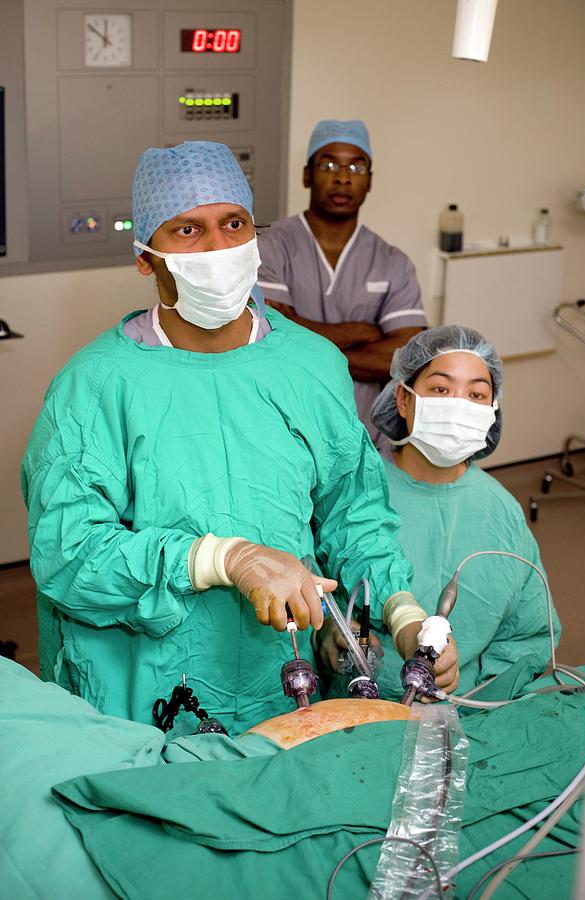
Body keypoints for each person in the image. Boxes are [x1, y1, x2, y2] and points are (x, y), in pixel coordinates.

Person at [21, 141, 456, 736]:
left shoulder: (311, 366)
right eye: (187, 230)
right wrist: (220, 557)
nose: (219, 248)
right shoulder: (94, 386)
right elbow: (69, 554)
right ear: (146, 259)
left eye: (233, 224)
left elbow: (351, 513)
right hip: (145, 689)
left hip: (283, 673)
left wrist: (401, 614)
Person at [369, 325, 561, 699]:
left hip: (470, 707)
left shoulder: (501, 510)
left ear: (491, 412)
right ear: (403, 399)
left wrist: (482, 705)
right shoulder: (358, 494)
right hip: (358, 705)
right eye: (441, 389)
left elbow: (528, 633)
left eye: (476, 394)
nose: (458, 405)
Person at [257, 119, 427, 448]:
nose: (343, 177)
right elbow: (267, 337)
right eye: (329, 163)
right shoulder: (270, 245)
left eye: (356, 167)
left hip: (366, 436)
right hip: (284, 431)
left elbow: (407, 357)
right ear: (307, 175)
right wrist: (364, 332)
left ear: (370, 182)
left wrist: (302, 345)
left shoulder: (393, 261)